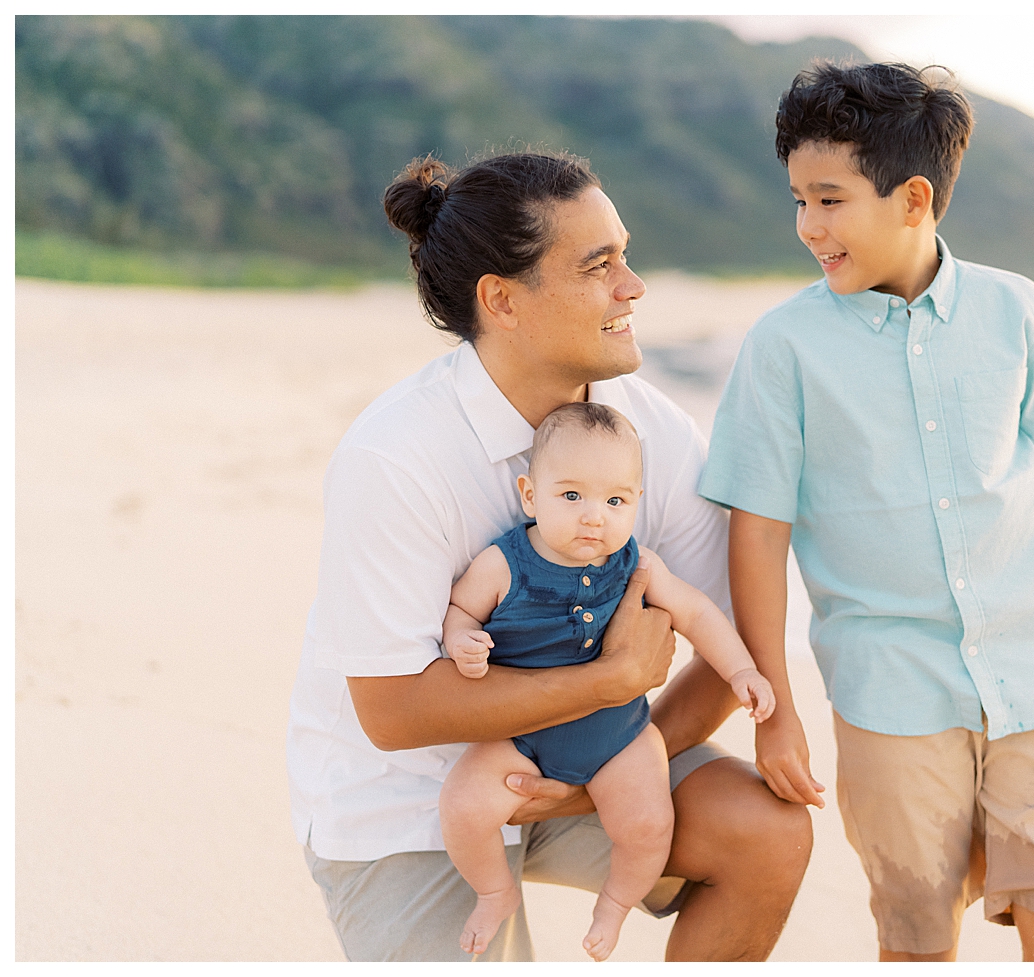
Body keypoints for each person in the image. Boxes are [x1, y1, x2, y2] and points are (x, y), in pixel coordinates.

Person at [285, 151, 811, 962]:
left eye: (625, 257)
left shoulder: (648, 430)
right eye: (600, 266)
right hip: (414, 802)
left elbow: (724, 625)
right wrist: (609, 681)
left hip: (593, 761)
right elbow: (391, 712)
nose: (633, 286)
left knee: (766, 832)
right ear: (501, 299)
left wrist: (604, 766)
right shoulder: (396, 455)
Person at [698, 61, 1034, 962]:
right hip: (889, 691)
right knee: (916, 928)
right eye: (799, 201)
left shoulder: (1015, 310)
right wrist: (772, 707)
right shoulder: (784, 347)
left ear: (913, 197)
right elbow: (758, 532)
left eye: (830, 199)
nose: (809, 227)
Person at [439, 401, 774, 960]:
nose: (594, 516)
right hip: (521, 736)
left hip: (618, 735)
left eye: (615, 501)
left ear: (635, 504)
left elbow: (696, 612)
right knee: (464, 808)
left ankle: (615, 905)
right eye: (571, 496)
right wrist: (461, 640)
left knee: (647, 826)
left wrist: (740, 670)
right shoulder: (504, 564)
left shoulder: (636, 563)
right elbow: (459, 611)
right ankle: (494, 890)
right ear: (530, 495)